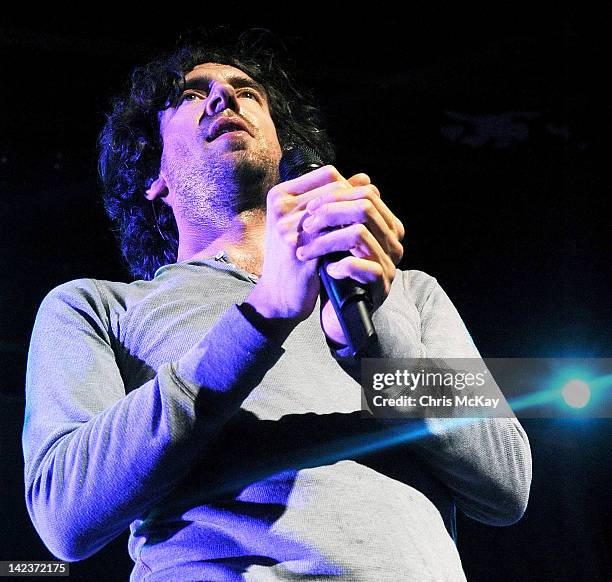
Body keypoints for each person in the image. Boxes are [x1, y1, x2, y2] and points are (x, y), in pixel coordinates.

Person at [23, 29, 532, 581]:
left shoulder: (405, 291)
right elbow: (63, 513)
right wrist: (262, 317)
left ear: (281, 146)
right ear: (153, 176)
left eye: (249, 92)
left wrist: (376, 347)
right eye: (192, 94)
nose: (225, 97)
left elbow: (507, 481)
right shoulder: (98, 308)